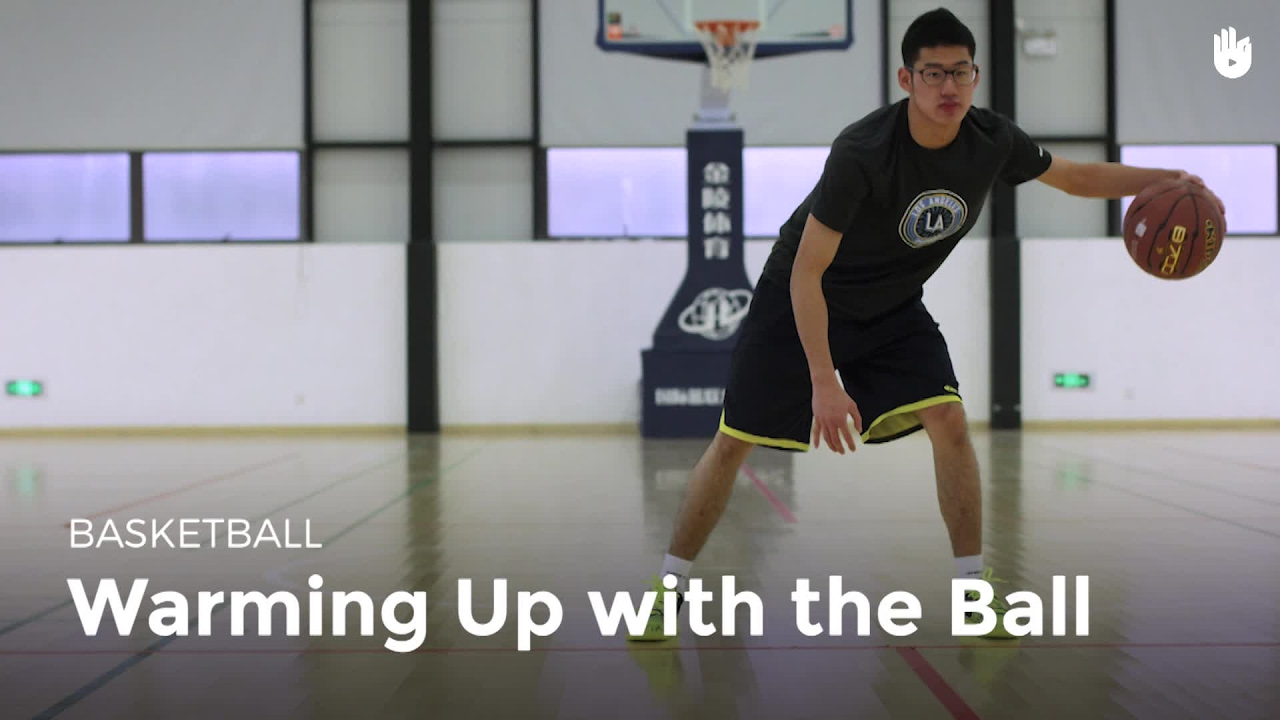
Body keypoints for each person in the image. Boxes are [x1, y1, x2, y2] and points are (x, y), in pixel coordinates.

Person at [629, 7, 1224, 642]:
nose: (949, 87)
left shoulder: (991, 140)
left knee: (949, 419)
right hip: (799, 301)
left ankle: (975, 592)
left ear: (975, 76)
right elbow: (807, 274)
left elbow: (1074, 176)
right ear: (906, 79)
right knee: (732, 443)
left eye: (961, 72)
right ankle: (667, 591)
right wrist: (824, 382)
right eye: (934, 73)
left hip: (890, 305)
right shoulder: (861, 153)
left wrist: (1165, 179)